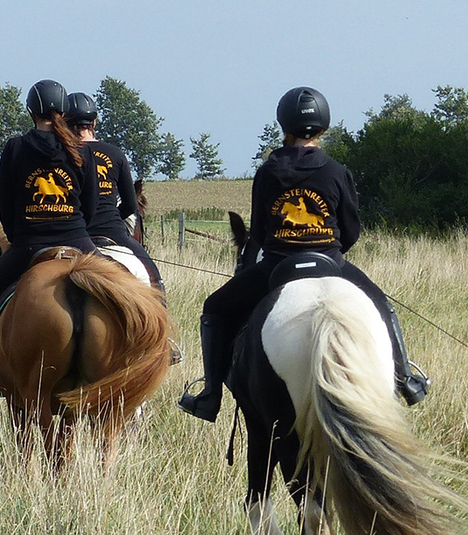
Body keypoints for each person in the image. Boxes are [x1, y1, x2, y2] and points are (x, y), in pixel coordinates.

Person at [177, 86, 429, 422]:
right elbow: (351, 231)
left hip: (278, 266)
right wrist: (329, 251)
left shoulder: (268, 172)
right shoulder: (337, 172)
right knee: (382, 306)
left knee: (214, 308)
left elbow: (261, 232)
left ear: (284, 126)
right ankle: (405, 379)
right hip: (332, 264)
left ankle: (209, 396)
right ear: (323, 127)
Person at [0, 79, 100, 402]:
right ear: (64, 111)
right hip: (80, 243)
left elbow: (6, 204)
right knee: (132, 292)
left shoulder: (15, 147)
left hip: (29, 245)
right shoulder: (81, 150)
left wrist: (18, 238)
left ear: (31, 111)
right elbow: (92, 207)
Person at [66, 91, 180, 364]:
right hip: (114, 231)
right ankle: (163, 341)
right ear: (94, 123)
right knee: (153, 277)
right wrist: (113, 218)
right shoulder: (115, 154)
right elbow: (131, 205)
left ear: (67, 124)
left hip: (73, 233)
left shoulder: (65, 154)